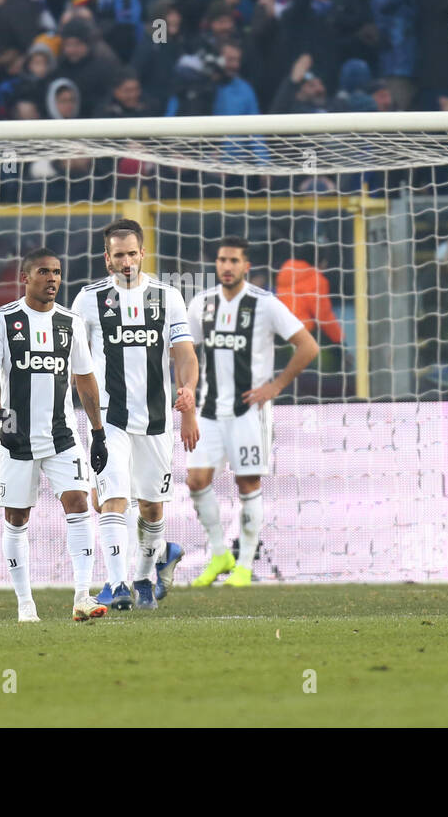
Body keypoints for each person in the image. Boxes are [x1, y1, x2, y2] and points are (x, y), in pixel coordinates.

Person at [0, 247, 110, 623]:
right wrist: (1, 417)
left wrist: (97, 433)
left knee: (79, 504)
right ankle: (25, 604)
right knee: (17, 517)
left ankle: (82, 595)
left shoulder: (70, 322)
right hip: (17, 439)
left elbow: (84, 379)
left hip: (62, 435)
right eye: (44, 272)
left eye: (58, 273)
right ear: (26, 277)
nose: (53, 279)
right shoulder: (2, 320)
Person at [71, 219, 199, 610]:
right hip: (109, 418)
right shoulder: (87, 300)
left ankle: (145, 574)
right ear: (107, 259)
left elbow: (184, 354)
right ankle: (116, 584)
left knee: (151, 506)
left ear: (143, 253)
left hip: (157, 419)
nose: (127, 262)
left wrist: (189, 396)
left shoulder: (167, 296)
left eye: (132, 253)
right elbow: (76, 364)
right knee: (111, 498)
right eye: (118, 255)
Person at [184, 236, 319, 587]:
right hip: (209, 410)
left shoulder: (265, 304)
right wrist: (183, 386)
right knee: (196, 481)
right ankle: (219, 554)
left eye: (234, 261)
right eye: (221, 260)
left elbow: (307, 345)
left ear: (247, 266)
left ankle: (244, 564)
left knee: (247, 484)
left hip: (248, 412)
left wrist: (276, 386)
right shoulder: (202, 304)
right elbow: (185, 350)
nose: (226, 267)